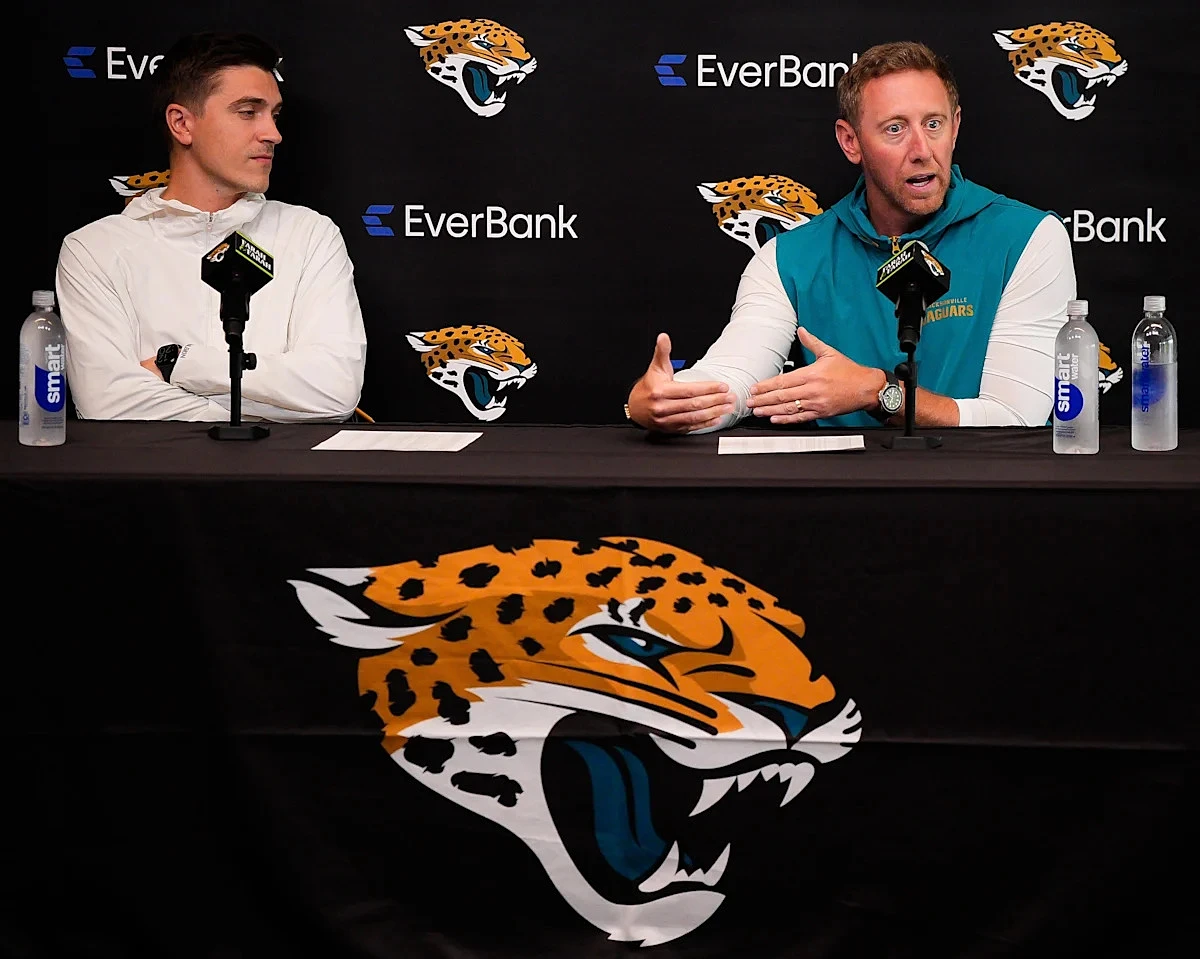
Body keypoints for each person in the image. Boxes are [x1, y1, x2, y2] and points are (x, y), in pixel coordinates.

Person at [625, 41, 1076, 433]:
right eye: (895, 129)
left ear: (955, 127)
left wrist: (878, 393)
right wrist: (665, 402)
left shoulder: (1027, 238)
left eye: (934, 124)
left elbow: (1016, 419)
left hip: (981, 496)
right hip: (838, 499)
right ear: (850, 142)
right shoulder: (788, 258)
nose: (922, 150)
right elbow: (733, 381)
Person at [56, 31, 367, 422]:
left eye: (274, 115)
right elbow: (108, 405)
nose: (273, 134)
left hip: (278, 469)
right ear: (182, 124)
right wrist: (265, 411)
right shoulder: (94, 249)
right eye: (248, 112)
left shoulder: (310, 235)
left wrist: (178, 364)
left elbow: (335, 390)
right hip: (160, 469)